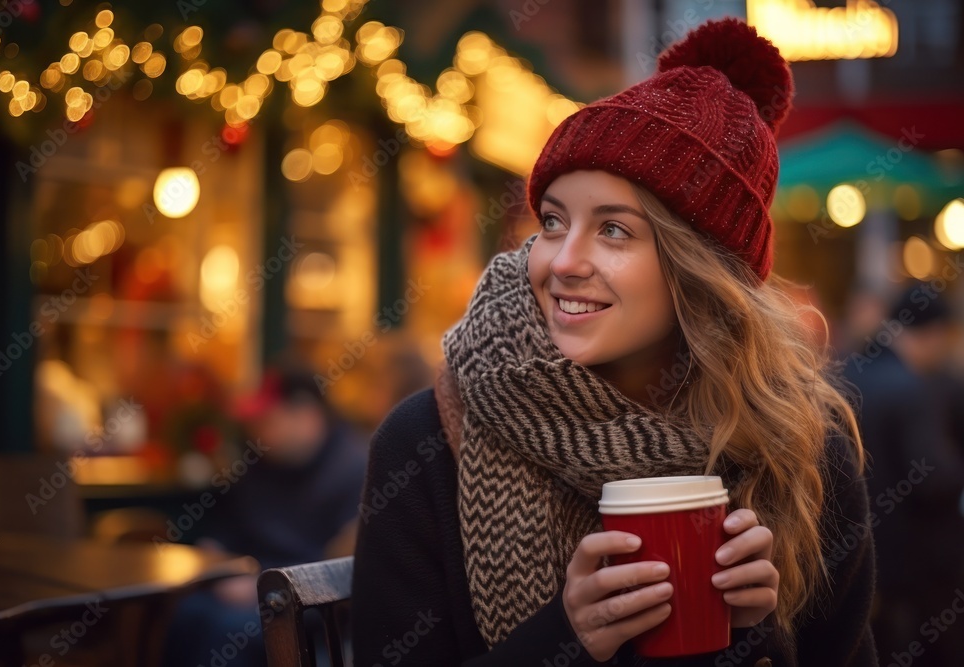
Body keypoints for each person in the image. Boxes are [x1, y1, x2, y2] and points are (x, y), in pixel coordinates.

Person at [352, 17, 877, 667]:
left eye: (615, 231)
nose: (562, 261)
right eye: (552, 221)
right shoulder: (428, 441)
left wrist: (756, 633)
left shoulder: (799, 444)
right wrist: (567, 639)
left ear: (702, 274)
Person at [162, 363, 368, 667]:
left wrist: (262, 583)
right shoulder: (259, 464)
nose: (258, 430)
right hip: (236, 584)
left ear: (307, 416)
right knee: (181, 615)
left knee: (225, 631)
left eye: (269, 419)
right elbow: (228, 527)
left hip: (305, 604)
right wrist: (217, 555)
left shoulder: (353, 469)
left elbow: (340, 565)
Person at [842, 283, 964, 667]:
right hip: (911, 567)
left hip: (853, 557)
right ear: (931, 334)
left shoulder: (849, 372)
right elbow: (933, 480)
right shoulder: (910, 388)